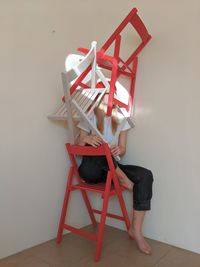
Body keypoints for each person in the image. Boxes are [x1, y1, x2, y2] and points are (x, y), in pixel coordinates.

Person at [76, 94, 153, 255]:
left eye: (111, 94)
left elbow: (123, 148)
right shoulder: (89, 114)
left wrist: (119, 149)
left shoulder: (121, 118)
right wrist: (88, 138)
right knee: (102, 149)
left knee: (145, 175)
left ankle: (136, 231)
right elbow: (77, 143)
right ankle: (123, 178)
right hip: (91, 169)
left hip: (112, 169)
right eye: (105, 93)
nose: (108, 97)